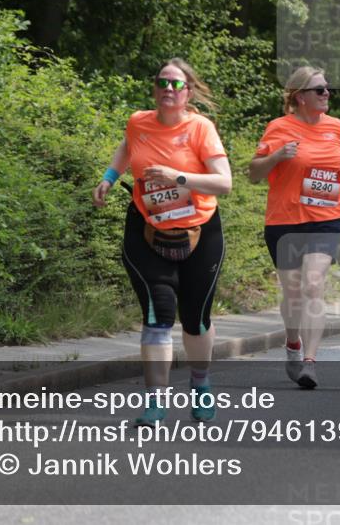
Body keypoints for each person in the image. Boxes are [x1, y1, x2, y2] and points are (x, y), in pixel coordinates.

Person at [92, 58, 231, 424]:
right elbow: (127, 146)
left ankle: (200, 385)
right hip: (147, 230)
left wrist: (178, 178)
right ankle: (155, 402)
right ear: (155, 89)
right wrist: (109, 176)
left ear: (188, 93)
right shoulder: (139, 122)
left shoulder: (201, 128)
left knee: (195, 319)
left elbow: (224, 183)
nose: (169, 90)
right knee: (158, 315)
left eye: (176, 85)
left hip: (201, 232)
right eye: (162, 83)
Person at [249, 66, 340, 389]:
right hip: (285, 220)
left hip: (326, 218)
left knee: (313, 284)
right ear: (300, 97)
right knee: (293, 292)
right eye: (319, 90)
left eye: (327, 89)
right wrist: (277, 156)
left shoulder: (334, 127)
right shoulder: (279, 127)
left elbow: (328, 160)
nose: (327, 94)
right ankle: (293, 343)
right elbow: (254, 173)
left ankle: (310, 361)